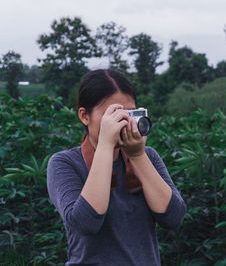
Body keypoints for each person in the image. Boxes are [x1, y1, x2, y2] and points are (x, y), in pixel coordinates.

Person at [47, 69, 187, 265]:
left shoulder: (148, 156)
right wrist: (105, 145)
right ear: (84, 116)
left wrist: (137, 155)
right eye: (112, 114)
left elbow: (173, 218)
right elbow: (85, 223)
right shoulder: (64, 163)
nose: (122, 121)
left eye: (128, 113)